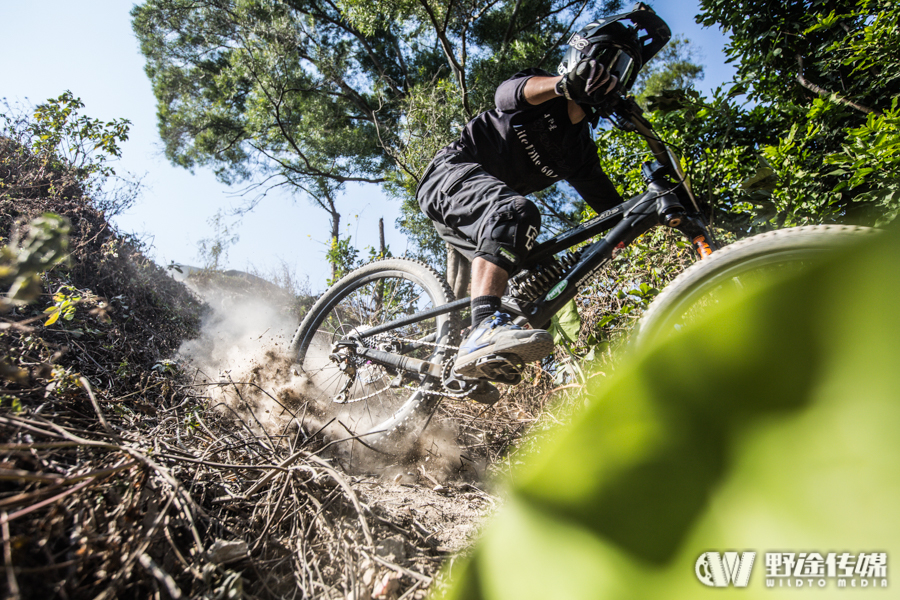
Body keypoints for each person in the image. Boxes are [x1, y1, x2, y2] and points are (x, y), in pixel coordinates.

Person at [416, 22, 639, 383]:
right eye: (602, 61)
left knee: (543, 289)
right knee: (517, 211)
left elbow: (613, 210)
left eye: (620, 69)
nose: (608, 74)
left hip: (487, 221)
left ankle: (459, 376)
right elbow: (506, 96)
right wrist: (562, 84)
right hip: (449, 178)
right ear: (580, 58)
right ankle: (483, 328)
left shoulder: (579, 151)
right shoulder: (541, 91)